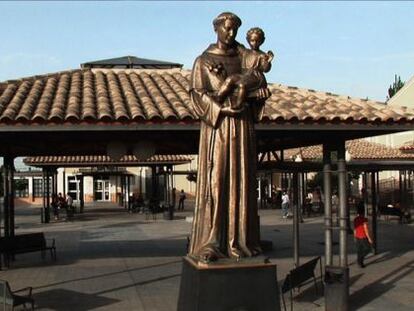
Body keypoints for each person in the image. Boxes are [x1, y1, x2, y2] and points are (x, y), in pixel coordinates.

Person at [189, 12, 271, 263]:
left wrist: (248, 90)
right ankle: (213, 241)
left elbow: (260, 80)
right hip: (218, 130)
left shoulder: (245, 56)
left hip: (243, 126)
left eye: (234, 29)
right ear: (216, 29)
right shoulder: (203, 61)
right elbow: (196, 95)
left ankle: (241, 240)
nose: (231, 34)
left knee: (242, 180)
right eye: (227, 29)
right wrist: (221, 108)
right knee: (218, 179)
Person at [216, 27, 274, 104]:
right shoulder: (245, 51)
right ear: (248, 40)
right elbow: (235, 43)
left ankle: (238, 105)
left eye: (257, 41)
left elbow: (266, 69)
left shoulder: (262, 55)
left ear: (262, 41)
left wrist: (268, 61)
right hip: (245, 75)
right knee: (230, 79)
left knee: (242, 84)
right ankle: (218, 98)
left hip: (256, 77)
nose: (254, 43)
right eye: (252, 41)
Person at [354, 201, 373, 268]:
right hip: (363, 237)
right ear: (363, 212)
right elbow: (366, 229)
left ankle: (360, 263)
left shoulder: (355, 219)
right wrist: (370, 238)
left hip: (357, 237)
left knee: (359, 250)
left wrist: (354, 236)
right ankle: (360, 260)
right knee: (368, 249)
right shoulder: (364, 219)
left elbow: (355, 229)